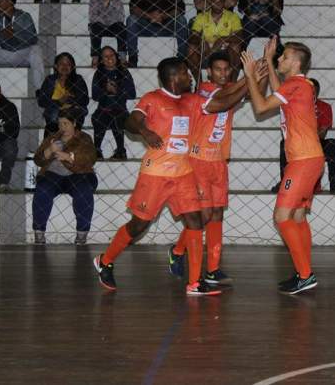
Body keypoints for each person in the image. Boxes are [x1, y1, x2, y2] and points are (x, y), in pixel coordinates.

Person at [93, 57, 245, 295]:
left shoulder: (191, 100)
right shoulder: (153, 98)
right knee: (138, 226)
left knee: (195, 221)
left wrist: (252, 79)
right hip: (156, 175)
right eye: (186, 73)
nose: (190, 77)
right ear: (175, 77)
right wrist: (145, 131)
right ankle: (105, 260)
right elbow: (130, 120)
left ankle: (194, 283)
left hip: (183, 174)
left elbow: (223, 103)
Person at [240, 40, 323, 295]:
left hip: (302, 161)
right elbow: (279, 91)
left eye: (283, 57)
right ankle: (303, 272)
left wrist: (250, 77)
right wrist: (270, 57)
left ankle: (306, 275)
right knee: (297, 217)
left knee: (281, 217)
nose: (279, 60)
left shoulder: (297, 84)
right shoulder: (298, 84)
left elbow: (261, 107)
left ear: (296, 63)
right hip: (310, 160)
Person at [168, 51, 255, 286]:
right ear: (209, 72)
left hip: (218, 161)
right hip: (198, 161)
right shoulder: (205, 91)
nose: (223, 73)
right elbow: (227, 94)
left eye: (227, 69)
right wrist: (248, 77)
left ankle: (213, 270)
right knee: (204, 214)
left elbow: (250, 91)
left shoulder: (229, 90)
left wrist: (259, 73)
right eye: (218, 69)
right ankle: (177, 251)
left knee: (217, 214)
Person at [32, 108, 99, 245]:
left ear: (74, 123)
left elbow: (90, 158)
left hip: (78, 174)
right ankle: (39, 232)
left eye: (66, 123)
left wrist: (69, 157)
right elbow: (38, 160)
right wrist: (49, 150)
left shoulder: (84, 138)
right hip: (52, 175)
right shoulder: (52, 138)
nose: (63, 127)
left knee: (83, 190)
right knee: (42, 189)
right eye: (60, 123)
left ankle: (82, 233)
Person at [273, 77, 335, 193]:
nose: (312, 93)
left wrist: (306, 136)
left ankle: (334, 184)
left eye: (315, 91)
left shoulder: (325, 107)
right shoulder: (295, 105)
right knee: (283, 143)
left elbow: (322, 133)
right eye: (310, 90)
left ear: (318, 92)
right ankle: (284, 181)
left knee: (333, 144)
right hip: (297, 143)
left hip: (316, 143)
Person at [125, 0, 188, 67]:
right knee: (131, 20)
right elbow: (133, 8)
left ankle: (182, 58)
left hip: (166, 26)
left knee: (181, 20)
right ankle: (133, 58)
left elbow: (181, 8)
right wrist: (149, 16)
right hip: (146, 26)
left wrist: (163, 16)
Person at [186, 0, 243, 79]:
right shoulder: (201, 17)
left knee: (236, 46)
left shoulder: (232, 17)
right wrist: (202, 40)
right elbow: (193, 37)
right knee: (191, 48)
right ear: (209, 2)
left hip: (225, 51)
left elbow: (240, 37)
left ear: (224, 2)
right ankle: (199, 84)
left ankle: (232, 83)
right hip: (205, 51)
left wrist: (222, 39)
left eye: (220, 1)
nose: (218, 4)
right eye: (214, 2)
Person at [90, 46, 135, 160]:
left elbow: (132, 94)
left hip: (120, 110)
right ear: (101, 60)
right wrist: (106, 90)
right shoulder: (99, 74)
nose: (109, 58)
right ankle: (96, 150)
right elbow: (95, 96)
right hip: (103, 109)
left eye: (112, 55)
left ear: (116, 56)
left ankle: (121, 150)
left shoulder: (124, 72)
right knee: (99, 117)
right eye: (106, 56)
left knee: (117, 117)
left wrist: (117, 90)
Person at [36, 52, 89, 136]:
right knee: (53, 116)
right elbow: (41, 101)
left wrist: (69, 100)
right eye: (61, 63)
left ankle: (72, 143)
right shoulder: (50, 80)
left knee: (75, 114)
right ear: (56, 66)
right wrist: (59, 102)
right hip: (55, 115)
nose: (64, 66)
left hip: (73, 114)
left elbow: (85, 100)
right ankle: (49, 146)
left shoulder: (78, 79)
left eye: (68, 64)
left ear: (72, 67)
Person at [89, 0, 126, 66]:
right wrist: (105, 9)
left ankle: (122, 57)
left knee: (121, 28)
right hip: (100, 26)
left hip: (113, 26)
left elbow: (121, 16)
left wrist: (110, 4)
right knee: (94, 27)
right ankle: (95, 57)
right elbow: (93, 17)